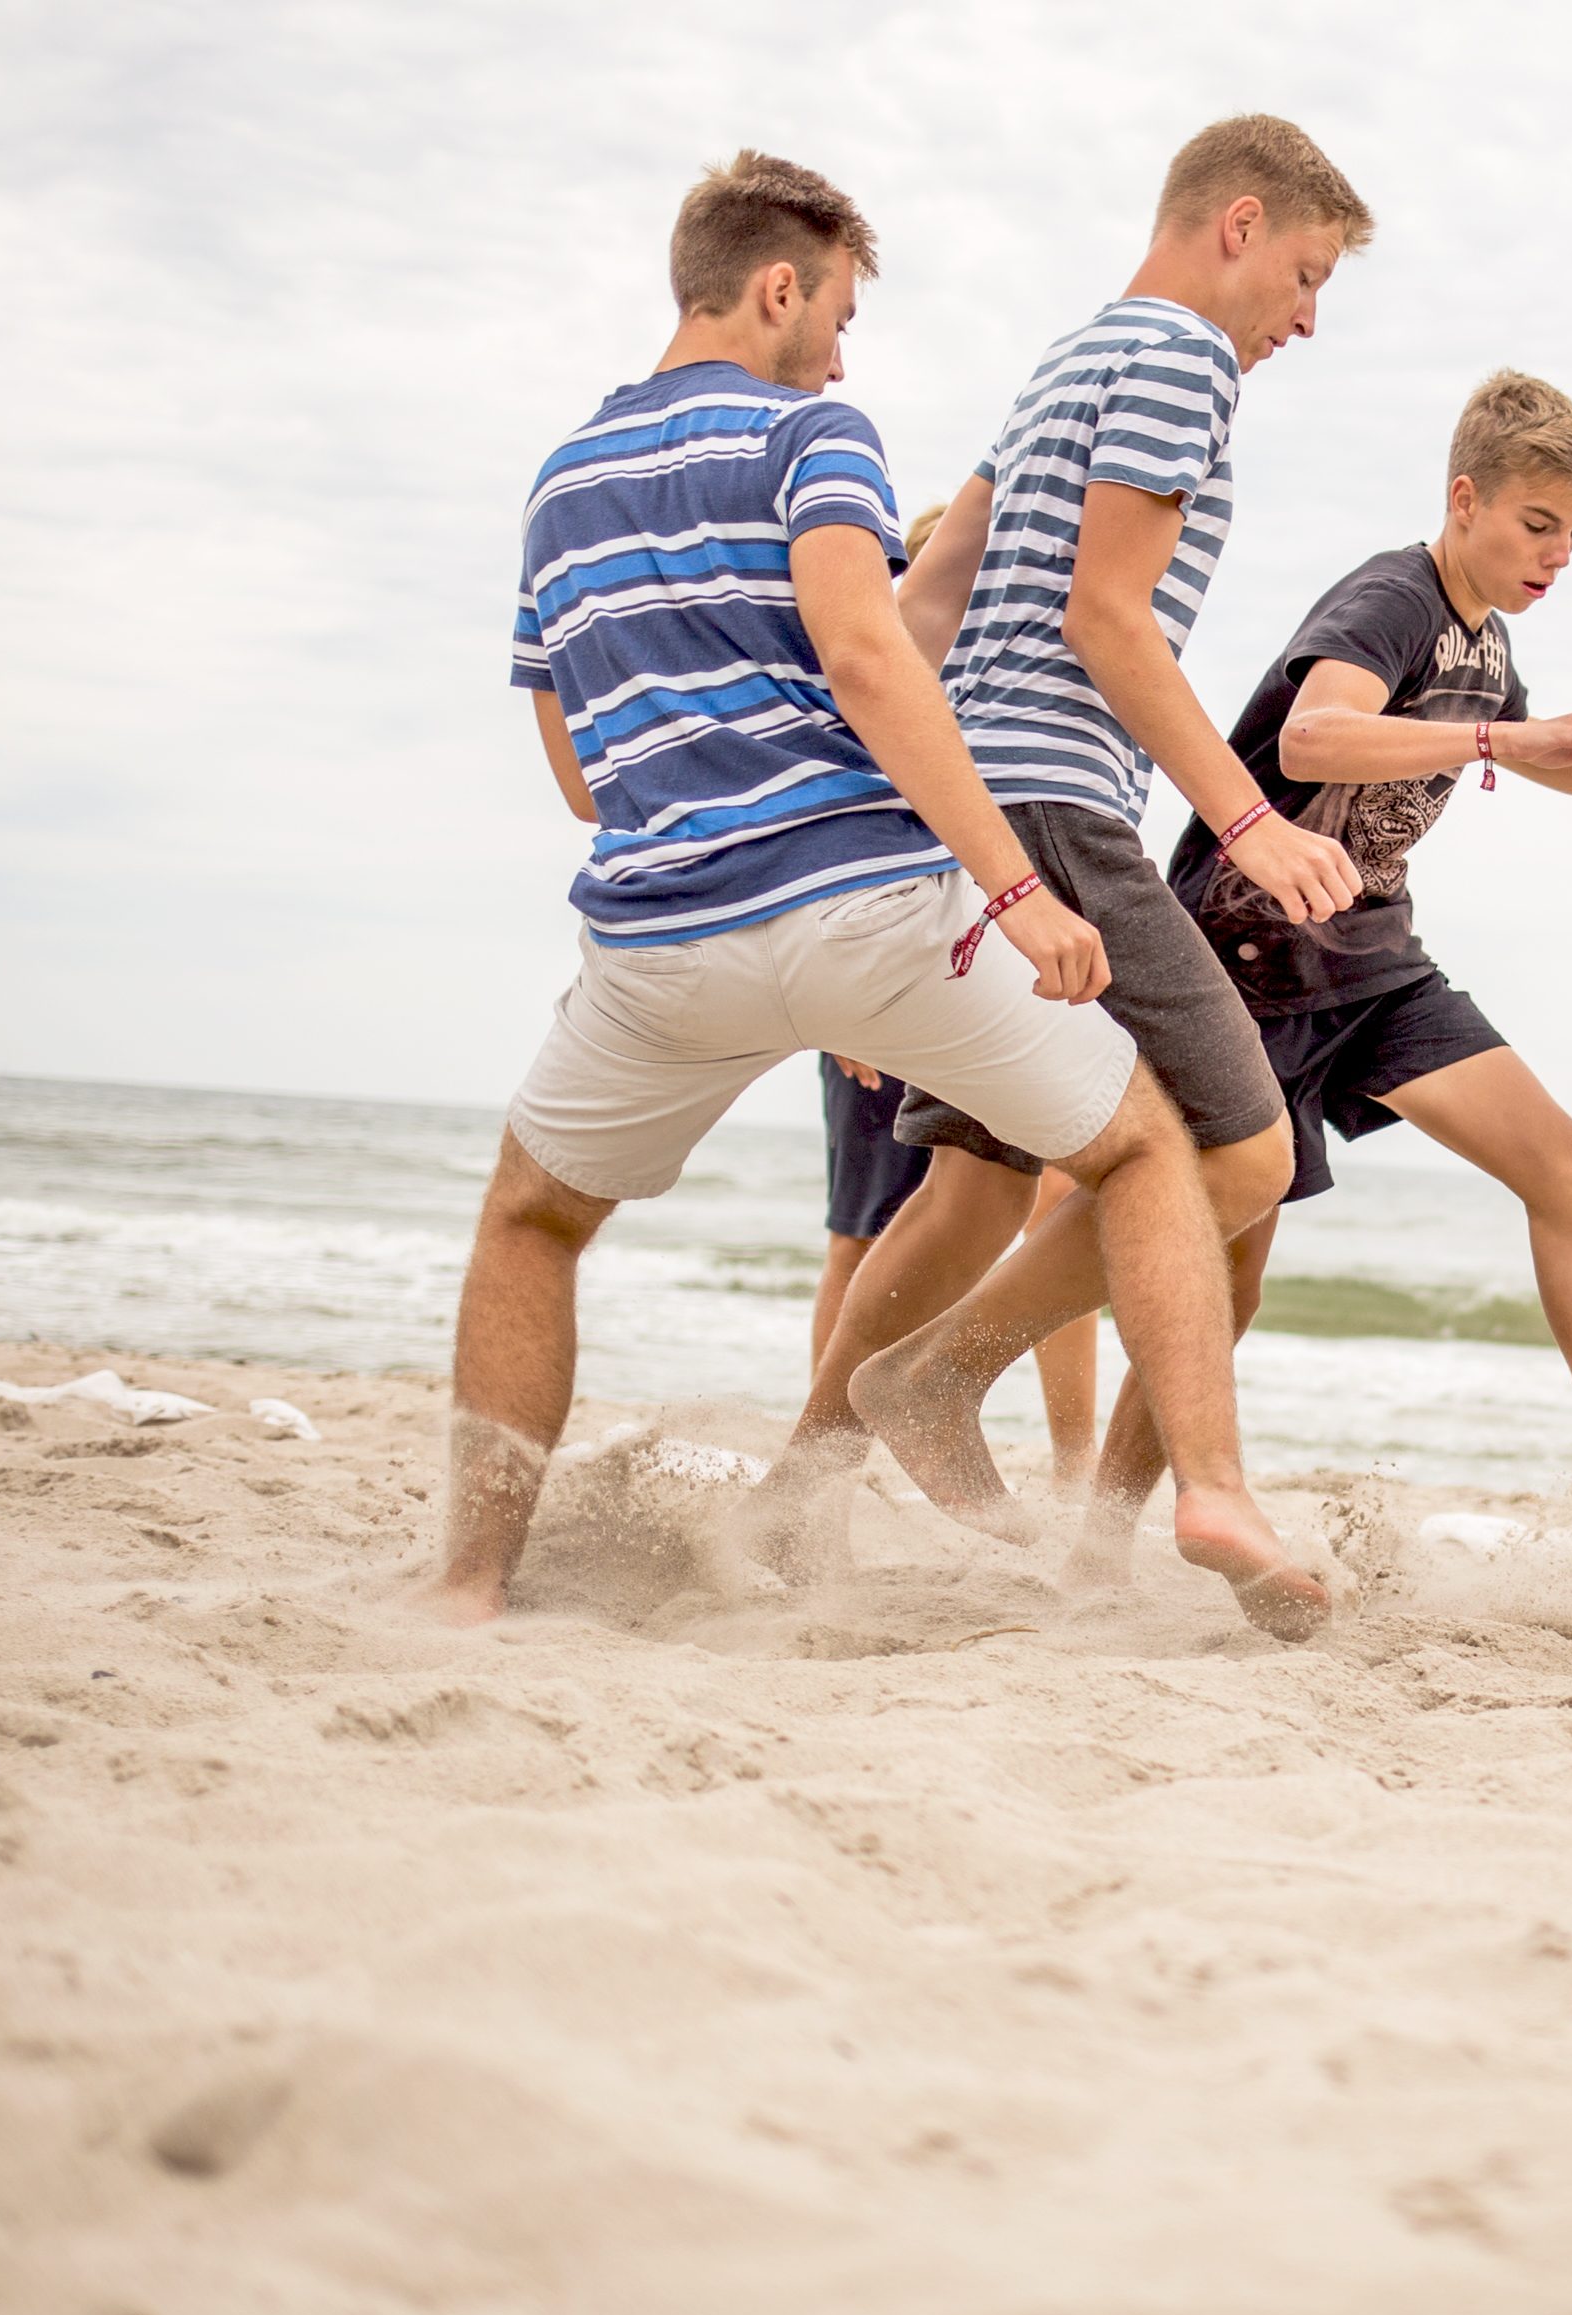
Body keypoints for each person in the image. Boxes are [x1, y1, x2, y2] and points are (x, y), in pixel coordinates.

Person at [433, 150, 1321, 1636]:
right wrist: (1014, 889)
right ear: (779, 289)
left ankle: (471, 1581)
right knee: (1176, 1155)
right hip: (877, 893)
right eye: (836, 311)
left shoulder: (559, 485)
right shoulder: (818, 434)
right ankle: (1132, 1462)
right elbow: (871, 650)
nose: (843, 350)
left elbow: (582, 774)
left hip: (657, 937)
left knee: (535, 1220)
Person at [775, 113, 1370, 1536]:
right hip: (1057, 803)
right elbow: (1106, 619)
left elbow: (924, 604)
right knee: (1244, 1151)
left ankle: (793, 1495)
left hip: (974, 814)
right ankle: (937, 1380)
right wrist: (1247, 824)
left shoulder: (1071, 355)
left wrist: (867, 820)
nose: (1304, 317)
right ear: (1238, 223)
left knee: (973, 1182)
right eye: (1304, 276)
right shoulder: (1184, 361)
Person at [1084, 370, 1572, 1576]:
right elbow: (1312, 736)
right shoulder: (1391, 597)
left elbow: (1534, 745)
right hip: (1245, 963)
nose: (1559, 554)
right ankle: (1097, 1539)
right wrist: (1502, 736)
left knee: (1570, 1168)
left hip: (1377, 963)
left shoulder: (1486, 638)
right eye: (1538, 524)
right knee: (1223, 1286)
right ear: (1466, 500)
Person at [811, 505, 1100, 1493]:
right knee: (867, 1228)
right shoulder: (884, 688)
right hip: (879, 977)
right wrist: (840, 1015)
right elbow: (837, 832)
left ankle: (1073, 1463)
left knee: (1057, 1188)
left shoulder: (1015, 696)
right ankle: (823, 1467)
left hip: (992, 974)